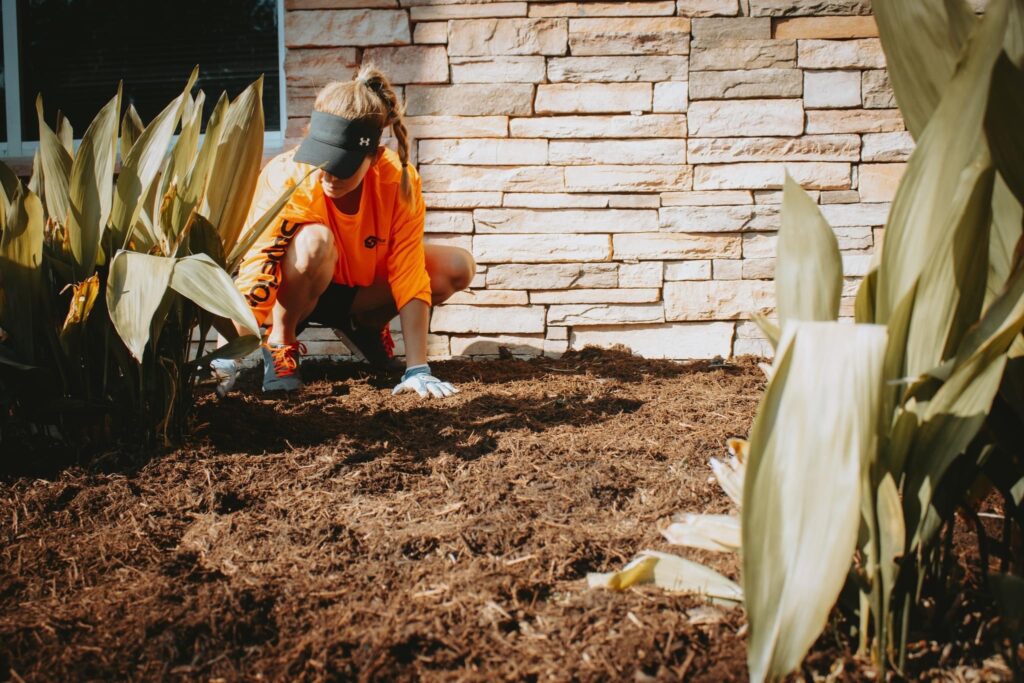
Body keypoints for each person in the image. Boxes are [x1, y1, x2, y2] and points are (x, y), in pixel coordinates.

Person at [211, 65, 475, 399]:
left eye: (342, 166)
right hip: (297, 290)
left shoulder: (396, 180)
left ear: (373, 156)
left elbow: (409, 269)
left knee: (455, 266)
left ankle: (365, 326)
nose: (329, 176)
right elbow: (260, 269)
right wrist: (225, 355)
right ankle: (281, 342)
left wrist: (418, 367)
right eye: (323, 160)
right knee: (313, 242)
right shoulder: (288, 177)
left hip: (357, 288)